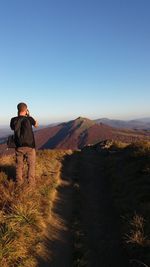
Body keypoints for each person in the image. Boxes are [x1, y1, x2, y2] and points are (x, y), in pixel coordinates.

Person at [10, 102, 38, 186]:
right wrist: (28, 115)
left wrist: (18, 116)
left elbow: (12, 128)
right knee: (31, 165)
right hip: (30, 146)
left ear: (18, 110)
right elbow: (36, 125)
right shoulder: (29, 119)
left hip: (18, 146)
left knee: (19, 165)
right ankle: (31, 184)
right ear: (26, 110)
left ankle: (18, 183)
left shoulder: (13, 120)